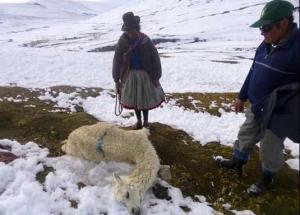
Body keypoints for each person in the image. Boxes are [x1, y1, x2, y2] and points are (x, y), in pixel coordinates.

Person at [216, 0, 299, 196]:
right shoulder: (266, 43)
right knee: (246, 133)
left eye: (266, 27)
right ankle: (238, 161)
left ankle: (267, 177)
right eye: (261, 28)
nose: (262, 32)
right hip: (256, 104)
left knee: (271, 146)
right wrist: (241, 96)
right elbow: (253, 71)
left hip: (280, 111)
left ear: (284, 24)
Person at [112, 12, 165, 129]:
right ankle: (139, 121)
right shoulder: (123, 41)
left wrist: (156, 75)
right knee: (135, 100)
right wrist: (116, 78)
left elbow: (155, 57)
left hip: (145, 74)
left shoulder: (145, 40)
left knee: (144, 99)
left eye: (133, 29)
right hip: (130, 75)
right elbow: (117, 59)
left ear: (137, 28)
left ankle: (146, 122)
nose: (131, 32)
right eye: (129, 30)